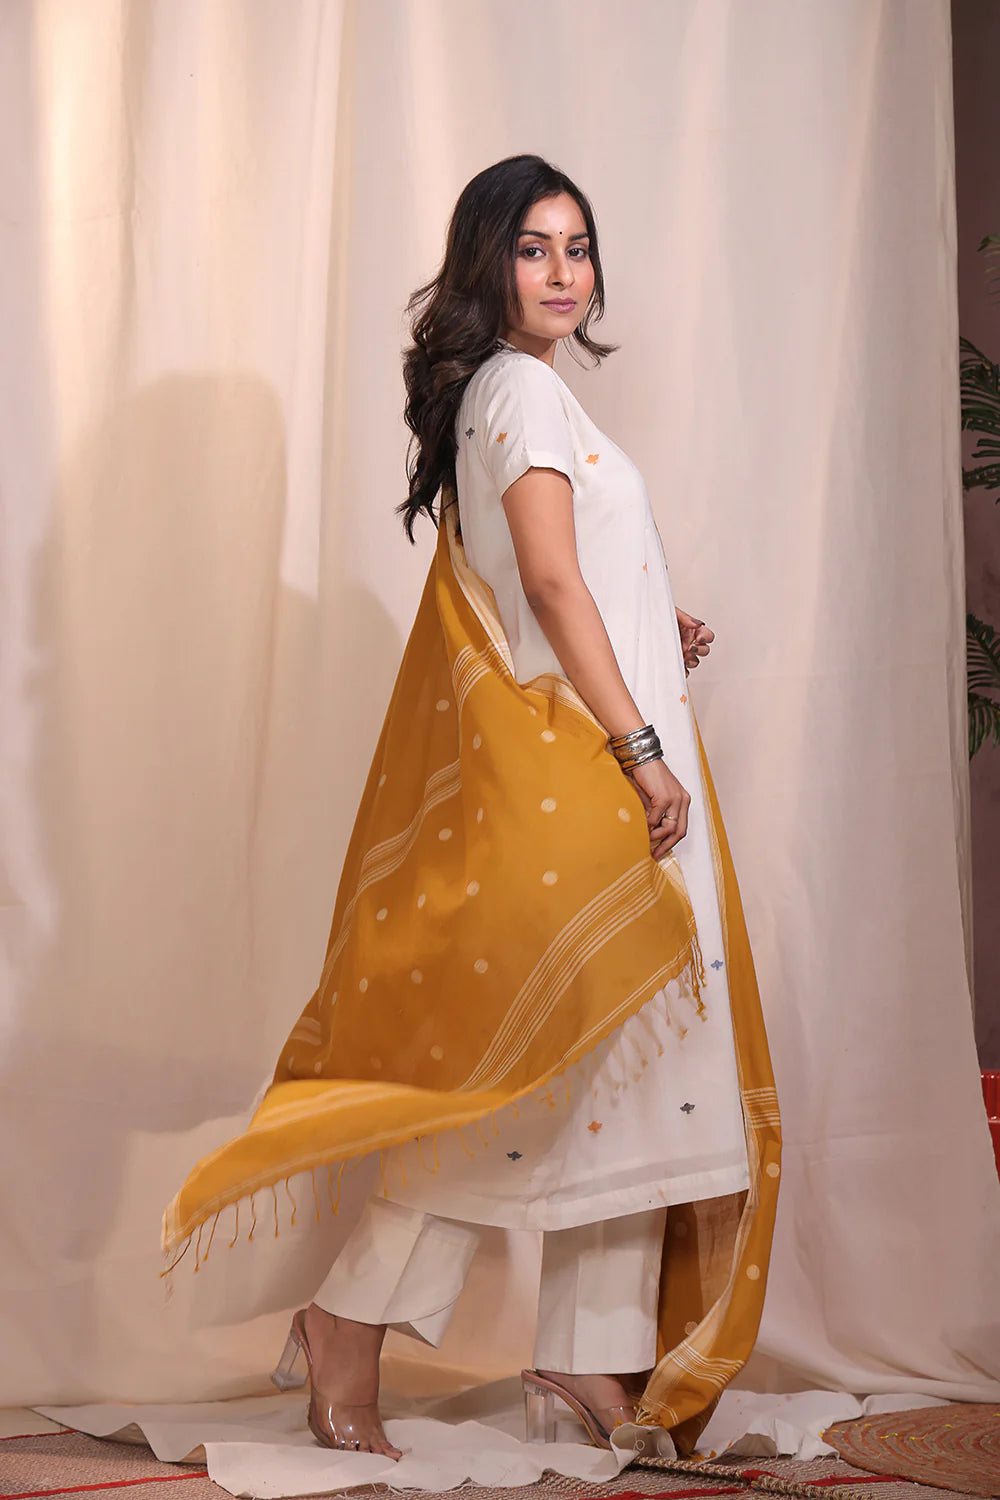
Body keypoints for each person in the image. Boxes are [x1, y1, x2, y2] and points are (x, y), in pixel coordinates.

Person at [163, 153, 781, 1465]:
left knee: (627, 1073)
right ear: (485, 265)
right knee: (521, 1082)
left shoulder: (511, 395)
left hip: (594, 760)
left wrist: (648, 609)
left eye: (578, 247)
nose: (563, 272)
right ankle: (346, 1321)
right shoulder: (524, 393)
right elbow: (547, 586)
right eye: (532, 248)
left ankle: (587, 1355)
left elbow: (548, 578)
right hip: (592, 774)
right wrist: (641, 747)